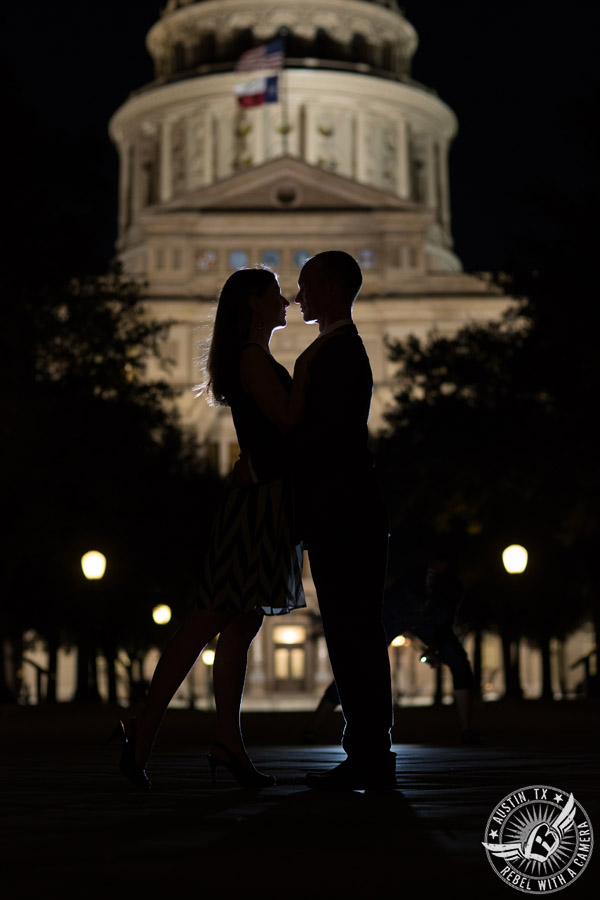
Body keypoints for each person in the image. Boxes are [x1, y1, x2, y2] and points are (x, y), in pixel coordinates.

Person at [106, 267, 310, 790]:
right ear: (252, 306)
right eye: (273, 294)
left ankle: (225, 739)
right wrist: (312, 373)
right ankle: (147, 729)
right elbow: (289, 422)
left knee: (238, 624)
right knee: (210, 619)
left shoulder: (251, 356)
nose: (284, 300)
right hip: (258, 506)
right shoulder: (249, 357)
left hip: (263, 498)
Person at [293, 250, 396, 790]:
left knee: (351, 630)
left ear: (331, 290)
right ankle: (369, 749)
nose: (296, 296)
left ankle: (369, 752)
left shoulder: (335, 354)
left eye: (306, 285)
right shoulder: (339, 349)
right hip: (349, 506)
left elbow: (324, 441)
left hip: (343, 509)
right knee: (354, 629)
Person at [301, 545, 482, 744]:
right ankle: (313, 726)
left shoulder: (452, 585)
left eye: (440, 566)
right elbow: (394, 598)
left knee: (459, 662)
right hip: (393, 615)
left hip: (426, 621)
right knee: (357, 666)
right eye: (433, 565)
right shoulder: (412, 572)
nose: (435, 569)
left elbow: (445, 620)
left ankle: (467, 729)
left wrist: (435, 647)